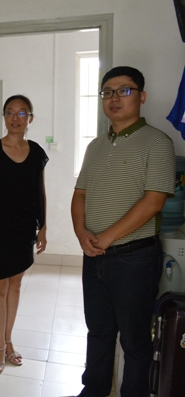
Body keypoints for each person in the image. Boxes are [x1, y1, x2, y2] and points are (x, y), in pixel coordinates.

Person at [70, 66, 175, 397]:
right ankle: (94, 391)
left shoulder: (157, 142)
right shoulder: (96, 146)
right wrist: (81, 233)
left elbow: (154, 201)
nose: (114, 98)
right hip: (94, 256)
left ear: (142, 97)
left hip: (135, 258)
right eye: (107, 92)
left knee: (135, 340)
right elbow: (80, 195)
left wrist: (108, 236)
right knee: (98, 331)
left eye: (124, 90)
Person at [0, 95, 48, 373]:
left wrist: (43, 225)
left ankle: (8, 342)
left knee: (15, 286)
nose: (15, 118)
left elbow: (39, 190)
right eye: (10, 112)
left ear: (30, 118)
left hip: (24, 228)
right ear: (4, 116)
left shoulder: (37, 151)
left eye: (22, 113)